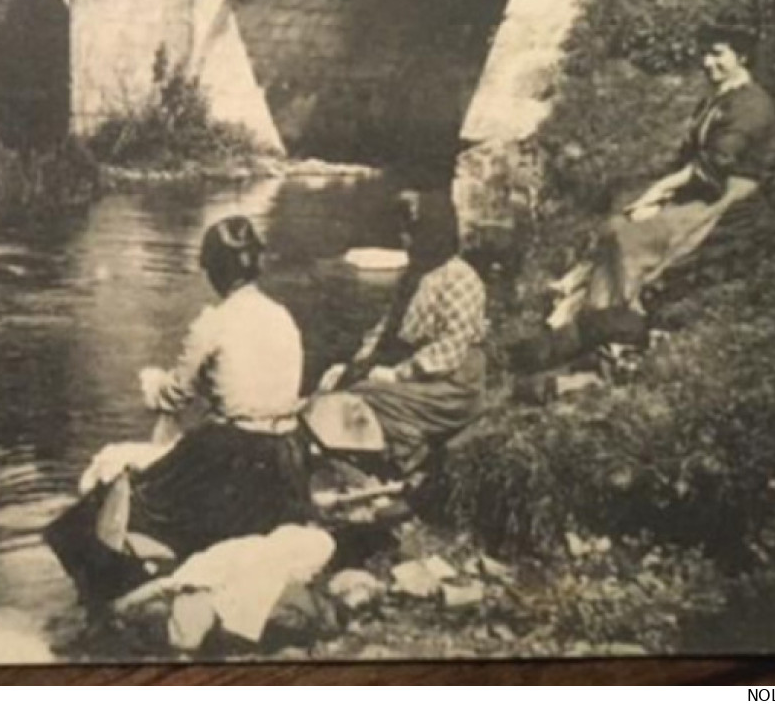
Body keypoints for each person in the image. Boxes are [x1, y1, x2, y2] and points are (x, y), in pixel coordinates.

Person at [45, 216, 311, 612]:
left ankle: (103, 607)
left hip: (230, 457)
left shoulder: (214, 322)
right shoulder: (283, 318)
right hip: (285, 457)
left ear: (217, 269)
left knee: (113, 500)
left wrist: (152, 384)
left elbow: (174, 396)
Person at [547, 24, 775, 359]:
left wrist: (658, 193)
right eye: (705, 53)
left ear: (742, 56)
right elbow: (687, 157)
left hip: (727, 191)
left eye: (717, 53)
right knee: (619, 219)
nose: (707, 62)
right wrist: (653, 196)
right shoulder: (717, 98)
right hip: (700, 184)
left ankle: (620, 325)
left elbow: (717, 163)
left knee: (633, 239)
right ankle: (591, 314)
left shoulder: (752, 105)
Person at [317, 190, 488, 476]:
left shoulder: (461, 278)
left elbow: (450, 350)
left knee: (363, 396)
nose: (404, 240)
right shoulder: (415, 275)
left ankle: (408, 455)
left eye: (412, 232)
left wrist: (397, 375)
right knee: (341, 388)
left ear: (435, 232)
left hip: (451, 383)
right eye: (404, 232)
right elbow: (386, 328)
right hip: (419, 371)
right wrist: (355, 365)